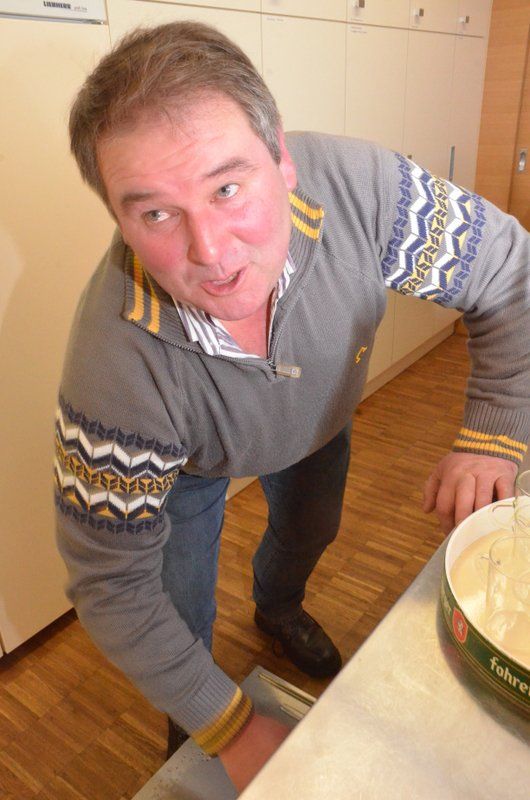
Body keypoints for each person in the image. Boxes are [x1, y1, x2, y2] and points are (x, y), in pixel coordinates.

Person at [55, 21, 529, 793]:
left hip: (318, 418)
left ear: (281, 156)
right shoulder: (113, 371)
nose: (211, 251)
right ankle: (194, 729)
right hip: (185, 467)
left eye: (227, 187)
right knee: (178, 605)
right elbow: (113, 585)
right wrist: (230, 727)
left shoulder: (364, 192)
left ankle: (278, 608)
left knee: (312, 527)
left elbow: (510, 271)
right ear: (118, 217)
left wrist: (494, 432)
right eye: (156, 214)